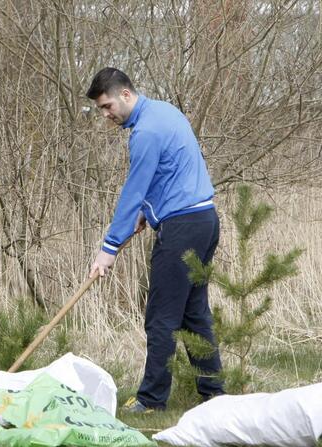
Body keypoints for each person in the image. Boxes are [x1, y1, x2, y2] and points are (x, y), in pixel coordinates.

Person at [85, 67, 224, 413]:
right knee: (194, 314)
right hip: (205, 219)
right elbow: (171, 172)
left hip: (181, 229)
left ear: (126, 95)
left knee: (161, 316)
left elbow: (134, 189)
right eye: (101, 109)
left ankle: (150, 400)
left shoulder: (145, 132)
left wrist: (109, 248)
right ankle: (214, 395)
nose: (106, 116)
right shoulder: (166, 111)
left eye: (107, 106)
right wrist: (150, 210)